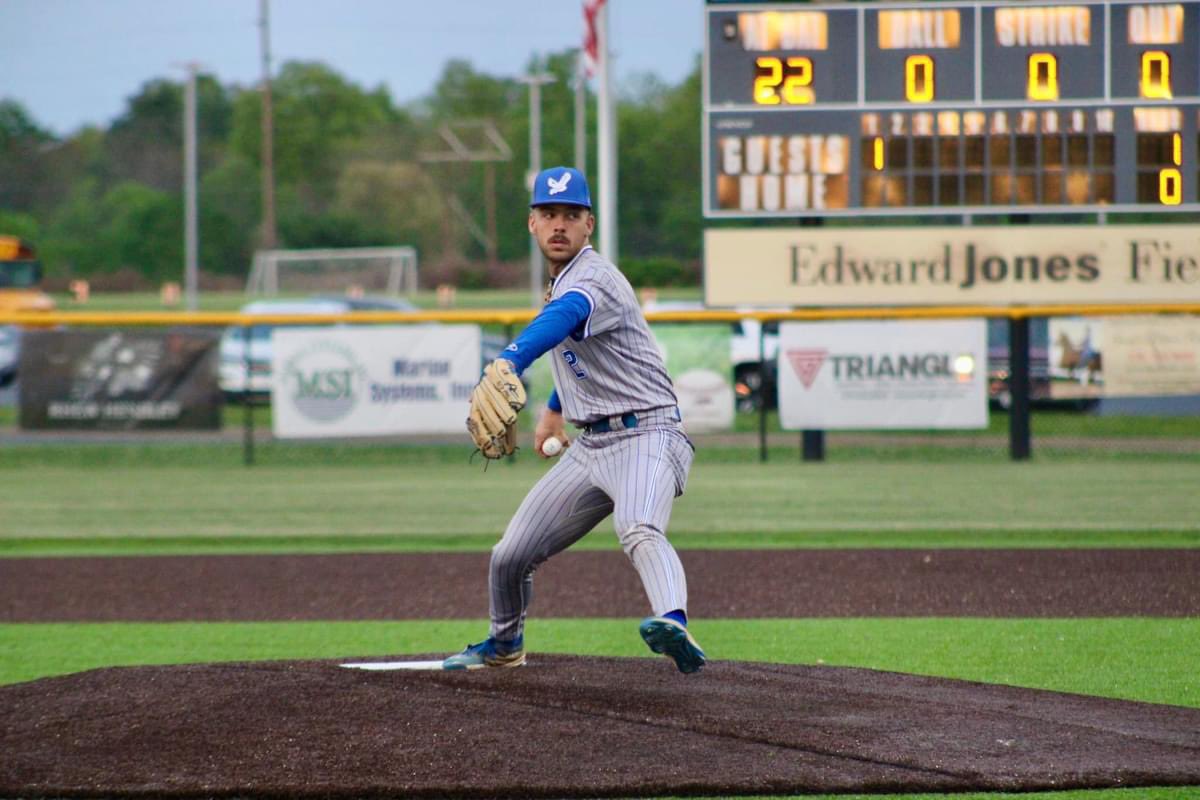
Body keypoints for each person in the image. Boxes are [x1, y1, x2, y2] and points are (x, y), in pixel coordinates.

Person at [443, 166, 705, 674]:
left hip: (650, 433)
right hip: (591, 447)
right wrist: (554, 413)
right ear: (532, 224)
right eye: (547, 214)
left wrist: (511, 359)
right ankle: (504, 644)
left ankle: (672, 621)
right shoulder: (562, 281)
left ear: (590, 224)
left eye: (570, 214)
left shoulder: (593, 279)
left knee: (639, 526)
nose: (558, 224)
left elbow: (562, 320)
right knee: (510, 554)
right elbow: (582, 352)